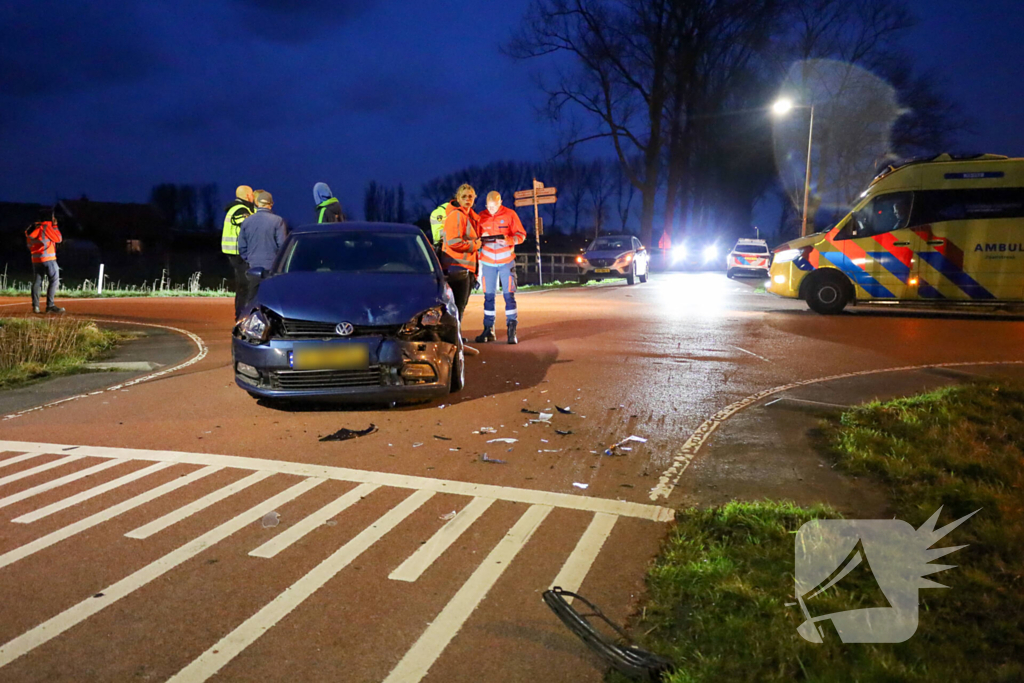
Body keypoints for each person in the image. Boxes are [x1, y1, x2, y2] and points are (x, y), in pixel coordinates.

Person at [475, 191, 526, 344]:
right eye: (489, 207)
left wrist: (509, 240)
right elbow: (475, 237)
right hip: (488, 261)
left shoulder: (510, 215)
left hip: (506, 261)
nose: (491, 210)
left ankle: (512, 328)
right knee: (488, 296)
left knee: (508, 295)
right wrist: (479, 239)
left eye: (494, 207)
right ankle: (488, 328)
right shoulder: (480, 216)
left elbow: (522, 235)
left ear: (500, 203)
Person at [238, 191, 288, 310]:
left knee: (252, 298)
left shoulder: (247, 221)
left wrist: (249, 259)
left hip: (253, 266)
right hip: (272, 267)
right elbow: (283, 246)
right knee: (273, 300)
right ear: (271, 204)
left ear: (257, 204)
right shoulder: (277, 221)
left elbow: (241, 247)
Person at [441, 183, 481, 324]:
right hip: (457, 268)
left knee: (459, 307)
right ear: (458, 198)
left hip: (463, 269)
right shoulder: (457, 215)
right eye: (464, 196)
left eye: (470, 196)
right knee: (458, 307)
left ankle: (456, 337)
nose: (467, 199)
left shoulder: (468, 216)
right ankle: (455, 340)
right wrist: (475, 245)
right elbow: (454, 242)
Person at [221, 185, 255, 317]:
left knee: (243, 285)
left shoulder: (235, 208)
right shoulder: (240, 210)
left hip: (234, 253)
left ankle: (241, 313)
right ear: (247, 195)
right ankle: (242, 314)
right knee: (245, 286)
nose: (253, 197)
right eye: (251, 194)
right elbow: (250, 225)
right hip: (239, 254)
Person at [25, 211, 64, 314]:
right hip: (48, 258)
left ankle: (36, 307)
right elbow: (58, 239)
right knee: (54, 280)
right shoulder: (46, 227)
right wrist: (55, 227)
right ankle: (50, 306)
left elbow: (29, 244)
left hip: (35, 259)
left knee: (37, 282)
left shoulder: (31, 229)